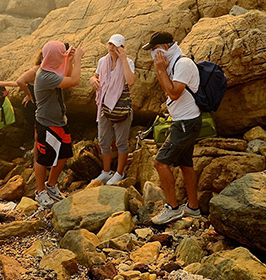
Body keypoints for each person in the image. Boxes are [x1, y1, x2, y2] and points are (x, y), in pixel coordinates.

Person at [143, 31, 202, 224]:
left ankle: (173, 208)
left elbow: (174, 93)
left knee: (160, 163)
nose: (154, 54)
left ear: (166, 48)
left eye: (155, 50)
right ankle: (193, 207)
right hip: (183, 121)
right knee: (186, 164)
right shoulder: (174, 63)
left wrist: (160, 70)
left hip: (186, 123)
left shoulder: (183, 64)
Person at [33, 40, 84, 208]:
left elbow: (67, 75)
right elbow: (74, 80)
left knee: (63, 155)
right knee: (43, 159)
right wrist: (78, 60)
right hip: (47, 124)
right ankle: (40, 191)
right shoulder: (45, 76)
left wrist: (69, 60)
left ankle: (51, 184)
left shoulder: (51, 69)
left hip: (60, 122)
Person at [90, 34, 136, 185]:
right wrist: (93, 80)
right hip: (104, 106)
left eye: (115, 45)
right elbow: (96, 76)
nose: (111, 47)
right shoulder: (103, 61)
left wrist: (123, 60)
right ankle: (106, 171)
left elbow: (131, 81)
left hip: (121, 106)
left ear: (122, 48)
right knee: (103, 140)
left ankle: (119, 173)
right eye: (110, 44)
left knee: (122, 142)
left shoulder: (128, 62)